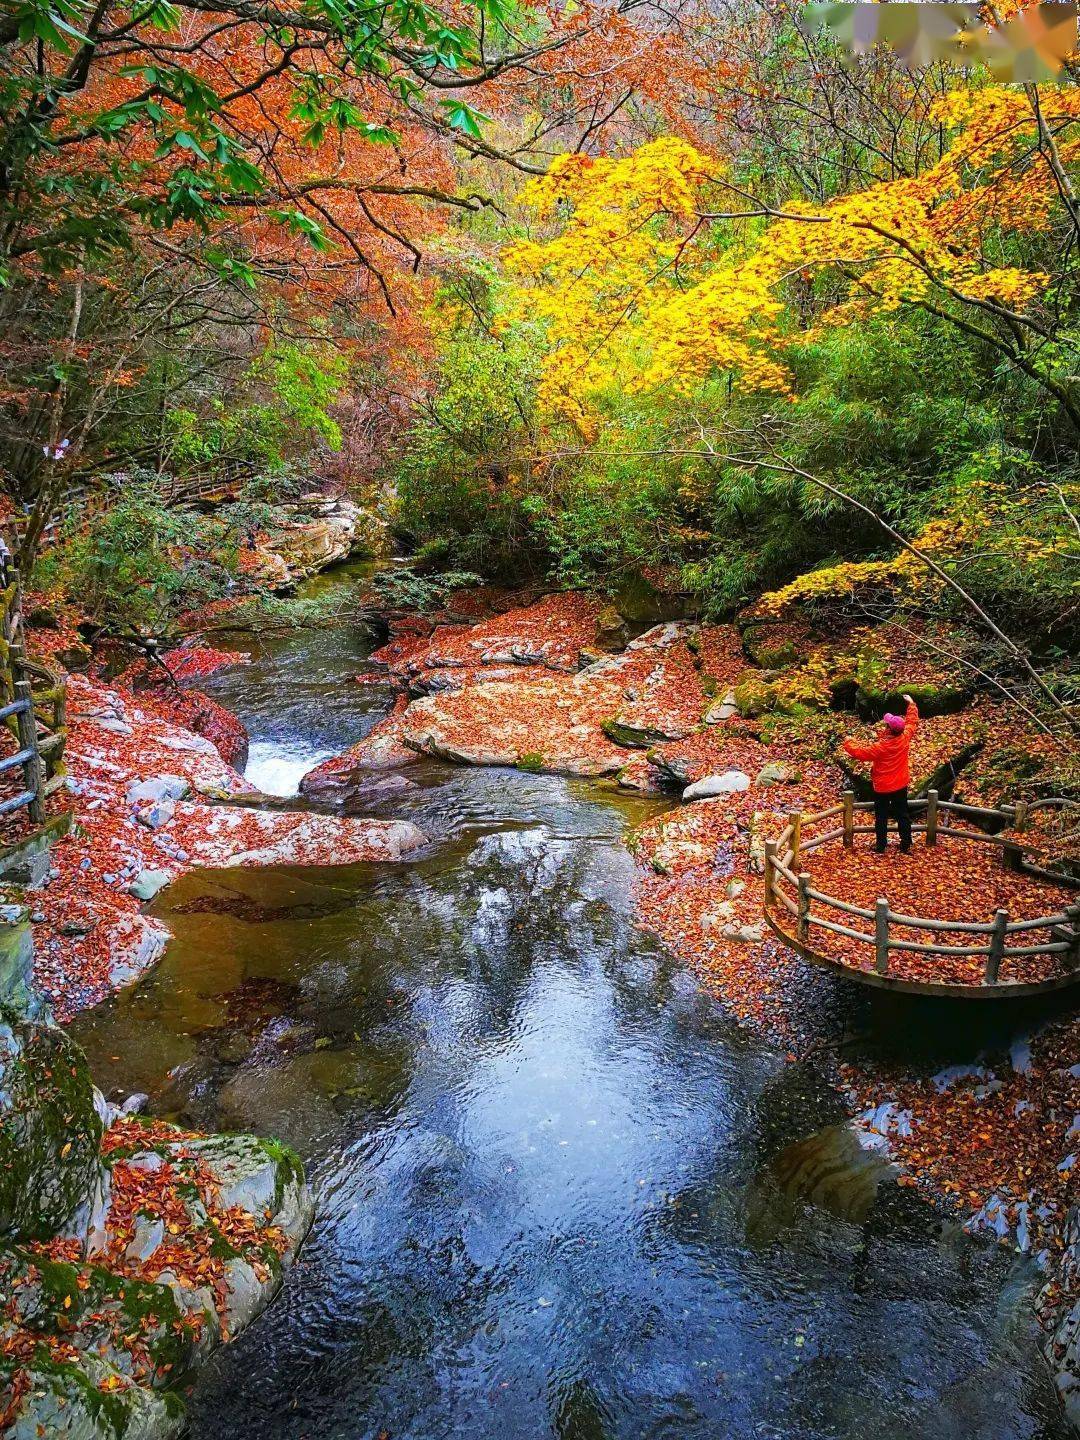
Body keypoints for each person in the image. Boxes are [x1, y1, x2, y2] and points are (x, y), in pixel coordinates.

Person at [842, 694, 919, 853]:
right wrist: (911, 704)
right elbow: (912, 721)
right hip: (900, 785)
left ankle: (881, 845)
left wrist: (848, 741)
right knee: (902, 815)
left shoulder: (881, 747)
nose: (885, 725)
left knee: (881, 817)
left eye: (887, 724)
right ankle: (906, 844)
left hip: (883, 788)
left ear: (889, 729)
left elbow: (860, 753)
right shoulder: (905, 737)